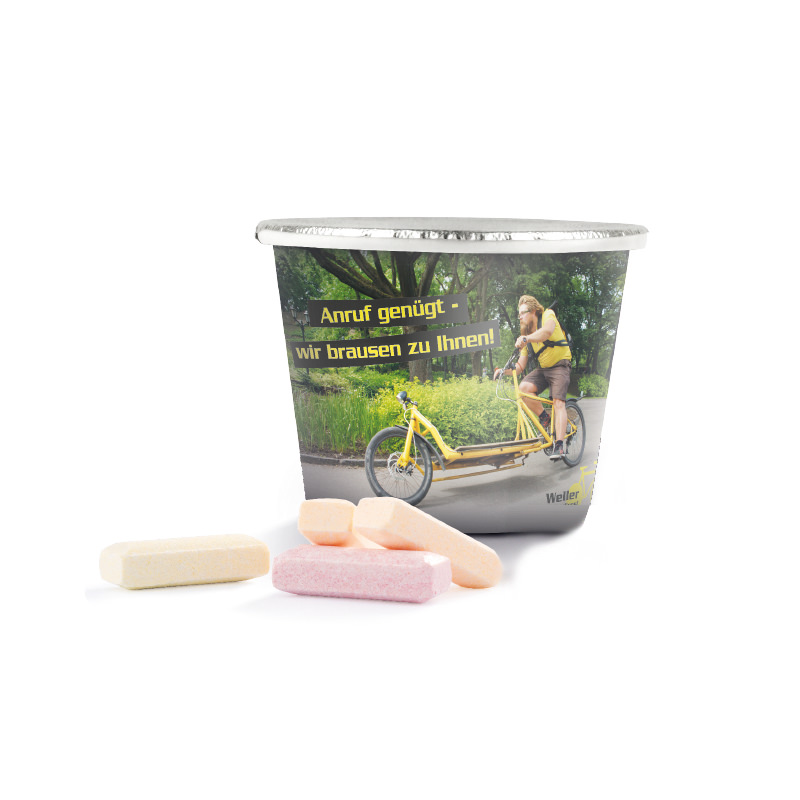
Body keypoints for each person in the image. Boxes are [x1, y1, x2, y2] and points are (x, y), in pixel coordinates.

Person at [494, 295, 572, 460]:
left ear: (534, 311)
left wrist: (526, 338)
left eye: (523, 312)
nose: (520, 317)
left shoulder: (548, 315)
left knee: (558, 402)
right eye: (519, 314)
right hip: (543, 369)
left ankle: (559, 445)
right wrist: (502, 371)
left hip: (560, 365)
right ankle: (545, 418)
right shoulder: (526, 335)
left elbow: (547, 332)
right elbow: (519, 367)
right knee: (523, 389)